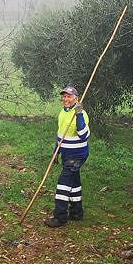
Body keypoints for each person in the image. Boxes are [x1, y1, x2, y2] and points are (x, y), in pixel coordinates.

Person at [44, 85, 90, 228]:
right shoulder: (62, 113)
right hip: (66, 153)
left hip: (77, 155)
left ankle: (60, 217)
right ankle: (76, 213)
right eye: (64, 96)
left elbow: (84, 136)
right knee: (74, 183)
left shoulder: (81, 114)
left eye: (69, 96)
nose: (65, 99)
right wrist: (56, 152)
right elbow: (60, 135)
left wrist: (79, 114)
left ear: (76, 98)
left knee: (63, 184)